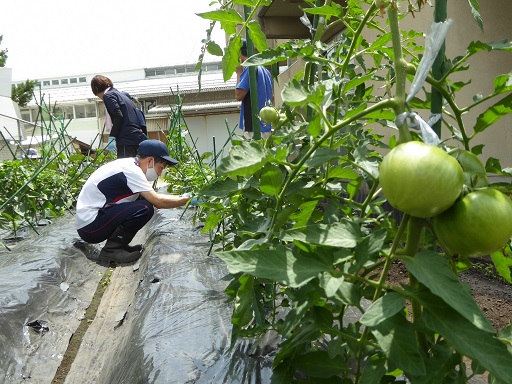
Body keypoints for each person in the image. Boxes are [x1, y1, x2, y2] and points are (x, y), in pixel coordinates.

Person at [75, 139, 191, 263]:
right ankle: (112, 250)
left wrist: (182, 197)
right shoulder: (131, 170)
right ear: (150, 161)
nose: (160, 173)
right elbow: (158, 201)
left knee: (142, 199)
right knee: (145, 208)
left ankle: (120, 245)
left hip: (92, 223)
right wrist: (187, 200)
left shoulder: (130, 166)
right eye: (160, 168)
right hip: (91, 227)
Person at [91, 75, 147, 158]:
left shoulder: (108, 96)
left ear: (96, 88)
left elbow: (118, 115)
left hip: (126, 140)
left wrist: (112, 136)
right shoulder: (122, 95)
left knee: (125, 168)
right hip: (138, 138)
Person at [235, 38, 274, 140]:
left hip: (254, 127)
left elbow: (239, 95)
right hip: (266, 125)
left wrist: (239, 72)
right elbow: (272, 97)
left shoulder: (250, 68)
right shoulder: (265, 71)